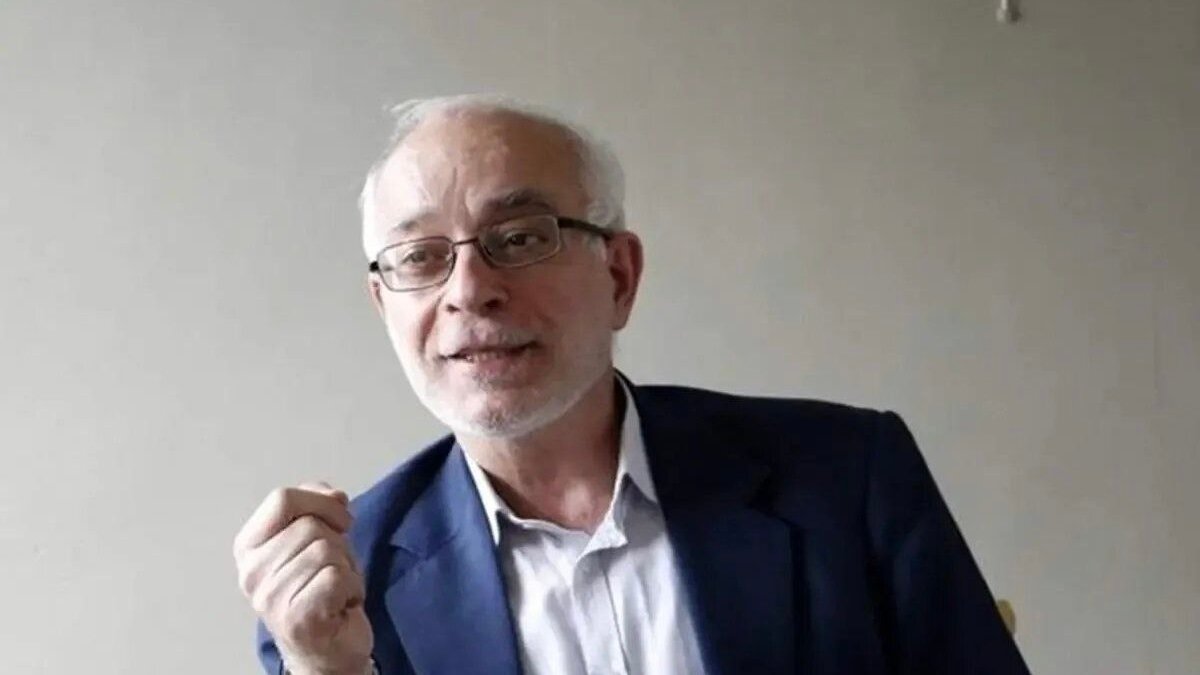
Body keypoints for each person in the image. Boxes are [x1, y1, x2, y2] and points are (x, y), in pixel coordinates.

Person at [232, 94, 1032, 675]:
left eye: (521, 237)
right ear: (385, 306)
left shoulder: (850, 476)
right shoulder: (339, 588)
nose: (469, 290)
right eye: (420, 257)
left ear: (618, 275)